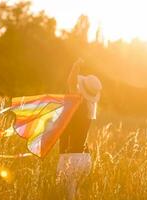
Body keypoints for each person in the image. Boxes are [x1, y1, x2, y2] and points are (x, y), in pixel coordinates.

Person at [56, 59, 102, 200]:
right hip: (85, 159)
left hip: (71, 157)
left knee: (65, 196)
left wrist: (75, 65)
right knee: (75, 195)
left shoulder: (77, 105)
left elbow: (70, 82)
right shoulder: (89, 108)